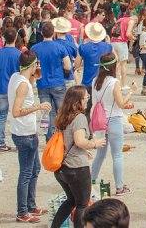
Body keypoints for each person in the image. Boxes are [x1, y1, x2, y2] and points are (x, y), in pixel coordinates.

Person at [51, 85, 104, 228]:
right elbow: (80, 141)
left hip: (61, 167)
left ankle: (54, 226)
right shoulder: (79, 118)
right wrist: (94, 143)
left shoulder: (62, 115)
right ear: (77, 101)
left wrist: (83, 150)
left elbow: (67, 141)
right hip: (76, 168)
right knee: (82, 204)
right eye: (85, 97)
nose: (88, 98)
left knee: (71, 201)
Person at [9, 50, 48, 223]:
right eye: (36, 64)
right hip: (25, 133)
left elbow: (23, 95)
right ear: (32, 65)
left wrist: (33, 76)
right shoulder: (23, 84)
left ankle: (30, 205)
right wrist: (38, 107)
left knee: (35, 169)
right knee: (26, 173)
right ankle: (22, 211)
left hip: (26, 132)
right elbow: (16, 111)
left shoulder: (17, 77)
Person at [90, 53, 134, 197]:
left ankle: (90, 181)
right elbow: (121, 104)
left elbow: (95, 102)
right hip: (113, 120)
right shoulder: (115, 82)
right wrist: (131, 92)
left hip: (100, 121)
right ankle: (119, 187)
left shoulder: (95, 81)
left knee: (100, 155)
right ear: (113, 66)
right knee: (117, 155)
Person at [33, 20, 73, 140]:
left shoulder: (35, 48)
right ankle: (62, 135)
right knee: (61, 111)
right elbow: (68, 66)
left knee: (46, 113)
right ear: (53, 32)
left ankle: (48, 137)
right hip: (57, 82)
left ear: (41, 33)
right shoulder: (60, 47)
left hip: (42, 83)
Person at [0, 26, 25, 152]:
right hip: (15, 89)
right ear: (15, 38)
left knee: (1, 116)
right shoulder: (19, 54)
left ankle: (0, 142)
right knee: (18, 115)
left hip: (2, 88)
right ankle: (20, 142)